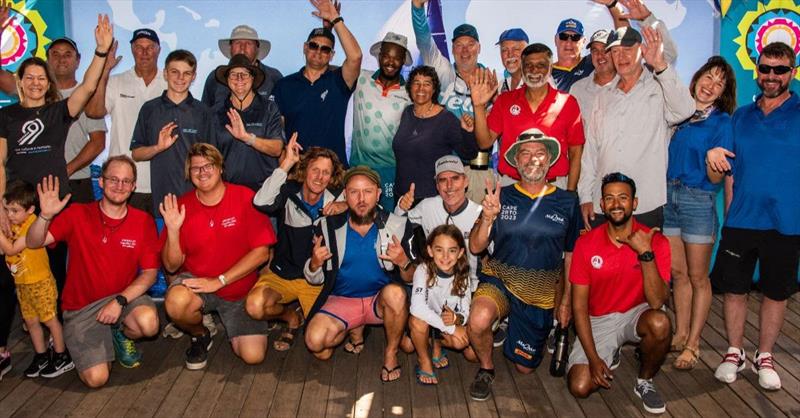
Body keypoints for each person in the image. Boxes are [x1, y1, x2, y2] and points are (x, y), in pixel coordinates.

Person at [706, 41, 799, 391]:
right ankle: (734, 351)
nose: (771, 76)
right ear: (757, 71)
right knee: (734, 289)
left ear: (791, 72)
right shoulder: (740, 116)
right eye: (766, 69)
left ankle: (765, 355)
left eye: (780, 69)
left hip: (787, 221)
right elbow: (729, 170)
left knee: (776, 292)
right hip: (742, 220)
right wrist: (730, 214)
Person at [26, 157, 161, 388]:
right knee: (97, 379)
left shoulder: (143, 221)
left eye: (126, 181)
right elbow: (33, 241)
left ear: (134, 186)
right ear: (101, 181)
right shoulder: (77, 214)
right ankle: (95, 343)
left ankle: (120, 334)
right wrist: (45, 216)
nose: (119, 186)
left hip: (123, 299)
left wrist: (120, 300)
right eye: (113, 179)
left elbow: (149, 273)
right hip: (81, 308)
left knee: (148, 324)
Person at [466, 130, 581, 401]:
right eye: (525, 153)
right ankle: (486, 367)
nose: (533, 159)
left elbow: (571, 255)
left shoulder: (568, 201)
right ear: (516, 161)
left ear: (550, 160)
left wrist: (565, 301)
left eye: (539, 152)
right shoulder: (500, 195)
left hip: (539, 291)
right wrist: (487, 218)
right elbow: (475, 247)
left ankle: (510, 328)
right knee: (478, 321)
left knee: (524, 367)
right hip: (500, 278)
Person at [161, 143, 275, 370]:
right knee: (176, 303)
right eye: (196, 168)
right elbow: (171, 265)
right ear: (189, 174)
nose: (202, 172)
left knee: (253, 356)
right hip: (198, 283)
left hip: (238, 289)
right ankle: (200, 333)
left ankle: (236, 326)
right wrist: (173, 231)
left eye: (208, 165)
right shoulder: (181, 205)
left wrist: (220, 280)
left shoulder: (244, 197)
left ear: (221, 168)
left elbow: (262, 253)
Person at [567, 172, 671, 415]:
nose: (616, 204)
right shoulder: (586, 243)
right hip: (598, 319)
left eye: (623, 198)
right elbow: (579, 308)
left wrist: (645, 253)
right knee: (580, 386)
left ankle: (644, 380)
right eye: (609, 198)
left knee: (660, 322)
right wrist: (593, 359)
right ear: (602, 204)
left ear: (634, 203)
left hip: (638, 312)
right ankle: (607, 352)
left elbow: (657, 301)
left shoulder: (656, 241)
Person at [303, 166, 417, 382]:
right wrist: (315, 264)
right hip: (343, 299)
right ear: (345, 195)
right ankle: (356, 326)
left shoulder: (398, 225)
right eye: (354, 192)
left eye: (368, 191)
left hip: (379, 301)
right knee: (316, 344)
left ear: (379, 194)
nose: (361, 198)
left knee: (397, 299)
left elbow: (412, 277)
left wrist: (402, 261)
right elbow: (314, 279)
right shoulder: (327, 227)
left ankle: (390, 353)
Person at [577, 23, 692, 230]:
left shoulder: (660, 87)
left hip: (645, 203)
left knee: (645, 262)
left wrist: (660, 65)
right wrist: (585, 195)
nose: (621, 56)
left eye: (627, 49)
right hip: (603, 203)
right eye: (615, 51)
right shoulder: (602, 96)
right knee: (602, 262)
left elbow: (685, 110)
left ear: (641, 49)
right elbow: (591, 151)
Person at [665, 56, 736, 370]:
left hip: (698, 201)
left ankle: (694, 344)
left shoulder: (722, 122)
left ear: (722, 93)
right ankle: (679, 334)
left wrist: (712, 159)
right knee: (677, 275)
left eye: (719, 84)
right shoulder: (677, 113)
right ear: (696, 78)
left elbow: (716, 179)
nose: (710, 86)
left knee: (697, 277)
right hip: (667, 197)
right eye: (708, 77)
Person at [248, 135, 345, 351]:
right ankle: (291, 316)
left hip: (317, 282)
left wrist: (345, 205)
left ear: (332, 177)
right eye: (315, 170)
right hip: (284, 274)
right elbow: (260, 201)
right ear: (305, 170)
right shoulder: (289, 191)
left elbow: (367, 207)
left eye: (326, 172)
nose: (319, 177)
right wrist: (287, 163)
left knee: (323, 352)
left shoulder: (337, 198)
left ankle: (308, 315)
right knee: (255, 306)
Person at [411, 0, 496, 204]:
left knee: (479, 229)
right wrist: (417, 8)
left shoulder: (491, 82)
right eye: (459, 45)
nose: (465, 51)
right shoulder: (444, 73)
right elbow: (424, 41)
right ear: (452, 48)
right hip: (447, 170)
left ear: (479, 48)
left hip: (480, 169)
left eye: (470, 45)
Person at [472, 43, 584, 191]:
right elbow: (484, 143)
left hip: (555, 187)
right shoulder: (505, 100)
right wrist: (479, 106)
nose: (534, 70)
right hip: (511, 185)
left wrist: (570, 192)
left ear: (550, 69)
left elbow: (576, 153)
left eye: (541, 65)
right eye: (528, 65)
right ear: (522, 68)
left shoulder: (568, 102)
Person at [84, 28, 168, 213]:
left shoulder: (170, 82)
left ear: (158, 50)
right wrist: (105, 71)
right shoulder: (115, 82)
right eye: (139, 47)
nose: (145, 53)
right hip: (123, 183)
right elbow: (93, 111)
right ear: (132, 49)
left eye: (150, 47)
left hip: (162, 181)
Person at [271, 0, 362, 167]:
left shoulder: (339, 80)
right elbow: (277, 131)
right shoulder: (284, 85)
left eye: (325, 49)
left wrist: (336, 19)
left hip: (334, 170)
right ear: (305, 47)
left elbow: (355, 57)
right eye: (313, 46)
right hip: (298, 169)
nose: (318, 51)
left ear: (332, 55)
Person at [130, 49, 216, 217]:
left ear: (194, 77)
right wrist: (158, 147)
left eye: (186, 73)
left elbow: (213, 159)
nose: (180, 78)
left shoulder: (203, 112)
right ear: (165, 73)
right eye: (175, 72)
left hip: (197, 201)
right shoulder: (150, 109)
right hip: (161, 202)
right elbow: (136, 154)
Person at [0, 181, 71, 378]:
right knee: (31, 321)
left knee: (50, 320)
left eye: (14, 210)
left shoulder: (31, 226)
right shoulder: (13, 225)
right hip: (22, 283)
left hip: (40, 282)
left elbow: (12, 249)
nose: (10, 215)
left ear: (31, 209)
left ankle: (61, 354)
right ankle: (41, 355)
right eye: (7, 210)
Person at [395, 155, 482, 291]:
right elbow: (397, 225)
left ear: (465, 181)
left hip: (469, 288)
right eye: (443, 180)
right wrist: (401, 207)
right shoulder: (427, 206)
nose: (449, 186)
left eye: (455, 178)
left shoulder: (480, 213)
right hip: (432, 286)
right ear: (437, 186)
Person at [393, 66, 478, 201]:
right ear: (410, 87)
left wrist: (467, 133)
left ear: (434, 90)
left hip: (430, 200)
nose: (421, 88)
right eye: (416, 83)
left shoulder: (446, 119)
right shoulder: (407, 112)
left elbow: (469, 155)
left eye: (427, 84)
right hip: (401, 198)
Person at [349, 32, 412, 210]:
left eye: (397, 58)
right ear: (379, 56)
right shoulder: (361, 78)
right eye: (386, 56)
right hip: (358, 167)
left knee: (388, 222)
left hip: (390, 171)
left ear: (402, 61)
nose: (391, 62)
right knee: (357, 217)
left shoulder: (410, 92)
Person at [409, 224, 476, 385]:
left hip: (442, 323)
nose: (445, 256)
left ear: (460, 253)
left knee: (465, 345)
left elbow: (465, 311)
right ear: (430, 251)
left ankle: (436, 343)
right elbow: (417, 308)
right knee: (407, 345)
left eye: (452, 250)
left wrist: (456, 318)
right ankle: (424, 361)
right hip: (426, 321)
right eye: (439, 250)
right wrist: (452, 328)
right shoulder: (423, 270)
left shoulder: (463, 273)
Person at [46, 37, 107, 203]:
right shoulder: (36, 94)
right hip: (40, 182)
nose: (61, 59)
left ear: (78, 60)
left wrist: (67, 170)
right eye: (56, 54)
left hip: (76, 182)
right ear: (47, 60)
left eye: (67, 54)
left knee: (80, 230)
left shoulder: (88, 96)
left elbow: (98, 142)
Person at [212, 54, 284, 191]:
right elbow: (210, 156)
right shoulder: (216, 113)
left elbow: (277, 149)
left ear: (252, 78)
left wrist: (247, 138)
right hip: (228, 193)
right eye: (233, 74)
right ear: (227, 79)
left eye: (244, 74)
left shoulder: (269, 108)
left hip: (264, 193)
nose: (239, 79)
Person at [201, 25, 283, 108]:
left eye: (248, 43)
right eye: (237, 43)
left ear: (257, 48)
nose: (242, 47)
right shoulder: (215, 78)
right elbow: (204, 115)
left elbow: (282, 115)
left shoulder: (273, 77)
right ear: (230, 47)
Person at [569, 29, 615, 122]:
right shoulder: (577, 89)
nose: (600, 55)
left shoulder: (628, 85)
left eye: (605, 49)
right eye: (595, 51)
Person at [496, 28, 529, 94]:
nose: (510, 55)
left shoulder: (538, 81)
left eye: (516, 49)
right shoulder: (501, 86)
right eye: (504, 50)